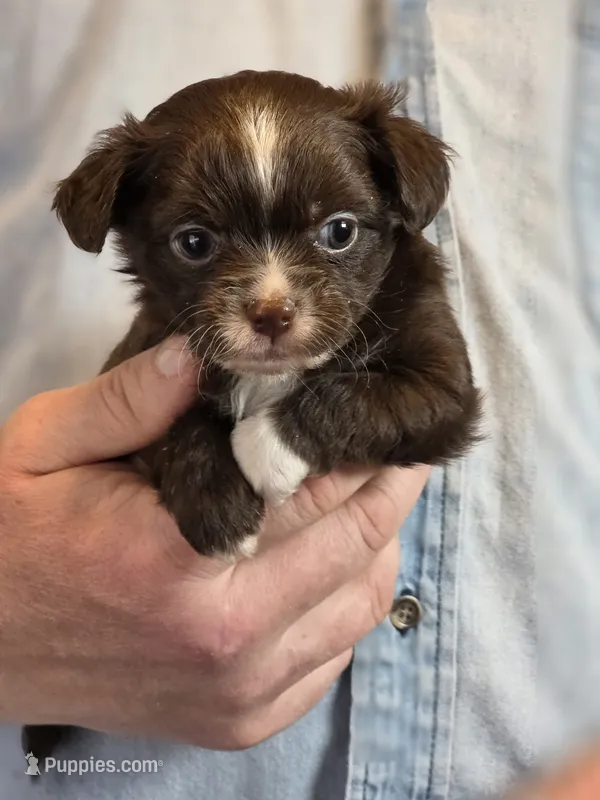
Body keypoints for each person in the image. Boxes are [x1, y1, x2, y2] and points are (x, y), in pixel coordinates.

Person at [1, 2, 599, 800]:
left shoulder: (404, 303)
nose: (272, 298)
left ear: (397, 210)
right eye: (197, 244)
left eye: (338, 233)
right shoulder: (161, 355)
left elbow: (443, 403)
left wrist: (299, 429)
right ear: (134, 238)